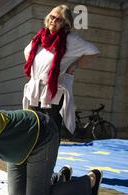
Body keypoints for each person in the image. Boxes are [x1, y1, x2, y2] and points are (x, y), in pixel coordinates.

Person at [23, 4, 100, 138]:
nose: (53, 21)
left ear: (65, 23)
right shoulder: (39, 38)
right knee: (34, 126)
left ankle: (49, 156)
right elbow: (27, 52)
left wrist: (75, 65)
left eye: (58, 19)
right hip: (35, 89)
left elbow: (93, 51)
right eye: (52, 17)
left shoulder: (70, 40)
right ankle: (34, 155)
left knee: (50, 128)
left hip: (53, 90)